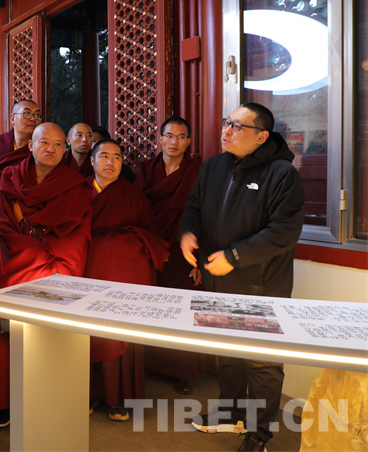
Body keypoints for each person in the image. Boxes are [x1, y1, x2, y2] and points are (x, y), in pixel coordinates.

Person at [179, 103, 305, 452]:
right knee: (227, 352)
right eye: (226, 123)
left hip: (261, 284)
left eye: (236, 126)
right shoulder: (214, 166)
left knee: (262, 361)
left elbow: (284, 232)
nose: (226, 130)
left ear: (261, 136)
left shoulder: (282, 174)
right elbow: (193, 207)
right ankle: (232, 412)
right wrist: (187, 233)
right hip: (217, 281)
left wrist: (234, 257)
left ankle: (259, 433)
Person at [0, 122, 92, 427]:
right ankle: (5, 401)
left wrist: (48, 264)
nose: (51, 149)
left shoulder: (74, 184)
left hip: (56, 267)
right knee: (9, 338)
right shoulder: (11, 178)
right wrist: (34, 253)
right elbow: (2, 226)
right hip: (15, 267)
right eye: (44, 142)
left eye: (58, 144)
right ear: (30, 145)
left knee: (53, 340)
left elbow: (76, 233)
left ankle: (51, 401)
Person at [84, 138, 169, 421]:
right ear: (92, 161)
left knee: (120, 334)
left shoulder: (133, 195)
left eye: (117, 157)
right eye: (104, 156)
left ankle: (118, 398)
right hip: (87, 275)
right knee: (88, 334)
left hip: (123, 275)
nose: (110, 162)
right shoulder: (77, 191)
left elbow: (151, 232)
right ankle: (88, 393)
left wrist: (118, 242)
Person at [135, 116, 207, 395]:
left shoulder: (198, 171)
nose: (174, 142)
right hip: (151, 248)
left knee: (182, 311)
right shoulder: (146, 169)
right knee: (152, 309)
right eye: (169, 135)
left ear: (188, 142)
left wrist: (201, 258)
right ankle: (153, 364)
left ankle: (182, 372)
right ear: (160, 138)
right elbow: (138, 209)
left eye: (181, 137)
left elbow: (206, 215)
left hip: (183, 252)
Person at [0, 99, 42, 186]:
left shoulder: (40, 147)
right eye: (27, 113)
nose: (33, 118)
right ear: (13, 118)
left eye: (37, 115)